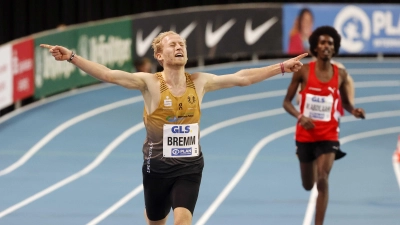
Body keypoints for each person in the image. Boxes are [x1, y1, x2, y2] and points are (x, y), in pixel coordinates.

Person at [41, 31, 307, 225]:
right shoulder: (149, 83)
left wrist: (281, 67)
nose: (179, 47)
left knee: (182, 221)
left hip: (189, 168)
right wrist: (72, 57)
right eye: (172, 45)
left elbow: (243, 78)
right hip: (156, 169)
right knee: (156, 221)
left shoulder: (200, 81)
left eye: (182, 44)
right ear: (159, 56)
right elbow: (109, 74)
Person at [282, 26, 365, 225]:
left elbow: (345, 102)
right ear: (315, 48)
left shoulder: (341, 74)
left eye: (330, 43)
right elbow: (286, 102)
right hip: (305, 134)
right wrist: (300, 116)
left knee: (322, 178)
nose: (326, 46)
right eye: (322, 43)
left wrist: (354, 110)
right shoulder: (302, 71)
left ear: (334, 48)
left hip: (329, 134)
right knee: (308, 184)